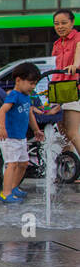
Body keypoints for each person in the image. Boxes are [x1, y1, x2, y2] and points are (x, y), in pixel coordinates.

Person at [0, 62, 44, 204]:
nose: (33, 87)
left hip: (21, 137)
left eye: (35, 84)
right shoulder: (14, 95)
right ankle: (6, 193)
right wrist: (2, 128)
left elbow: (29, 114)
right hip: (10, 137)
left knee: (23, 163)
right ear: (18, 80)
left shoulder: (26, 96)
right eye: (31, 83)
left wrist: (36, 130)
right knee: (12, 164)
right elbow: (2, 110)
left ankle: (14, 187)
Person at [51, 9, 80, 159]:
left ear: (72, 22)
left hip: (73, 89)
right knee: (63, 134)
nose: (60, 26)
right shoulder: (57, 44)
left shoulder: (78, 38)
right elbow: (52, 66)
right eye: (56, 24)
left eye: (64, 23)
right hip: (57, 89)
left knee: (71, 131)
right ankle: (69, 168)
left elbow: (78, 56)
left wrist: (75, 66)